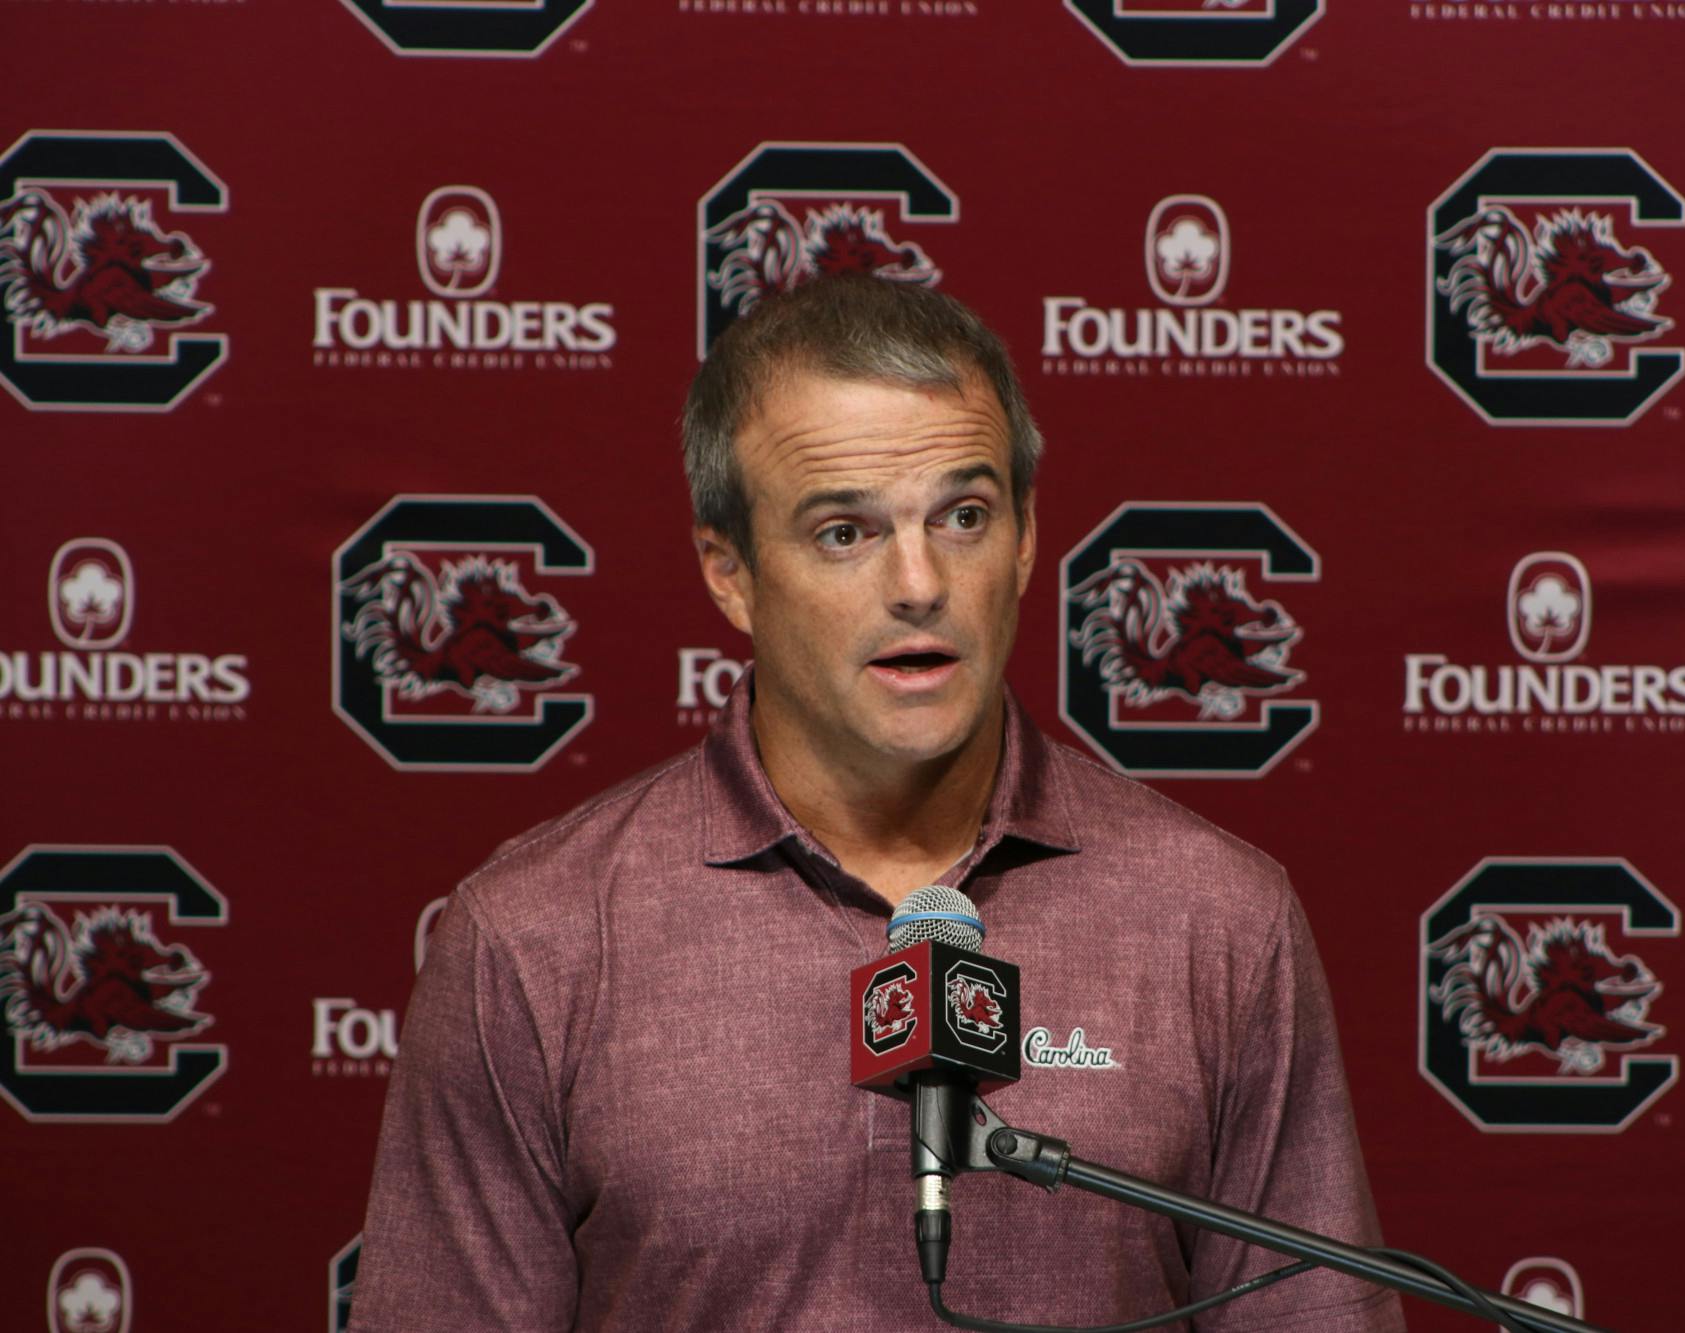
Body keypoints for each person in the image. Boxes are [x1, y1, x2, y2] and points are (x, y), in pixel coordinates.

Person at [349, 274, 1404, 1332]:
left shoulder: (1216, 917)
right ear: (728, 571)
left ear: (1026, 539)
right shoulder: (534, 938)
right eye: (843, 532)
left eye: (963, 516)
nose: (918, 582)